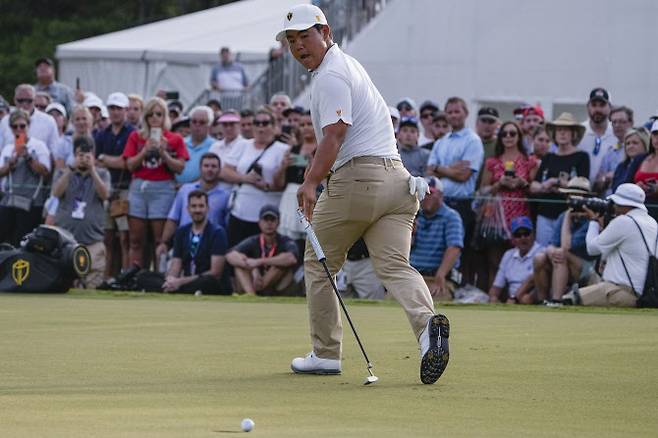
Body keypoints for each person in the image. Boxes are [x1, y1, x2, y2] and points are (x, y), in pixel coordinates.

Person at [280, 3, 450, 384]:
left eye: (305, 36)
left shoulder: (330, 75)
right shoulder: (349, 64)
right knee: (394, 266)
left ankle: (325, 355)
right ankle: (427, 331)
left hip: (359, 181)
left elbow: (336, 135)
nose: (299, 46)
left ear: (325, 33)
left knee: (319, 263)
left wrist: (309, 182)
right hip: (398, 183)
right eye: (292, 40)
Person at [562, 183, 658, 307]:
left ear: (624, 203)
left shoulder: (624, 222)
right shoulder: (652, 222)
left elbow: (592, 249)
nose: (613, 207)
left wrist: (593, 221)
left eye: (615, 203)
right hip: (645, 294)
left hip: (620, 291)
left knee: (569, 299)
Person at [122, 97, 189, 268]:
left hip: (163, 188)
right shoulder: (136, 137)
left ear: (164, 116)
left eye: (159, 114)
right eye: (150, 114)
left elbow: (180, 167)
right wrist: (144, 151)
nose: (154, 118)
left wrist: (164, 153)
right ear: (145, 117)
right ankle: (134, 277)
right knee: (135, 239)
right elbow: (130, 165)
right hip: (139, 187)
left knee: (159, 239)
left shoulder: (174, 139)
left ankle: (159, 278)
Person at [426, 97, 484, 285]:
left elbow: (464, 175)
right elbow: (429, 172)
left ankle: (453, 289)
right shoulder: (441, 142)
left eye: (457, 111)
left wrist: (440, 168)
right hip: (438, 203)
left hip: (461, 204)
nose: (453, 115)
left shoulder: (473, 141)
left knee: (457, 250)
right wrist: (451, 169)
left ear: (466, 113)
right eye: (449, 112)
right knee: (438, 250)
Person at [478, 121, 538, 290]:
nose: (508, 137)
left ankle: (516, 296)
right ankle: (493, 297)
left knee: (520, 259)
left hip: (521, 214)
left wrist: (522, 183)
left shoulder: (529, 161)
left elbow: (535, 189)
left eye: (513, 133)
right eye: (504, 134)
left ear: (519, 136)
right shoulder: (492, 162)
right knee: (494, 260)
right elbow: (483, 189)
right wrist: (499, 184)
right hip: (497, 216)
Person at [221, 107, 288, 247]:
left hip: (267, 216)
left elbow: (282, 185)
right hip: (239, 211)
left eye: (265, 123)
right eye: (257, 123)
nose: (260, 127)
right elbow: (225, 171)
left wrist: (266, 185)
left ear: (274, 126)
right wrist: (246, 179)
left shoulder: (283, 149)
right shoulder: (242, 144)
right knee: (235, 251)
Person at [52, 136, 111, 288]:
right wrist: (70, 170)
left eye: (87, 155)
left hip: (93, 241)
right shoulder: (63, 173)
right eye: (80, 155)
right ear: (74, 155)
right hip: (66, 243)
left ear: (93, 155)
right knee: (64, 286)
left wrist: (92, 170)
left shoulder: (103, 174)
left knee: (92, 287)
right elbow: (56, 193)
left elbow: (105, 195)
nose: (83, 159)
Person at [532, 177, 599, 302]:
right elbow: (552, 244)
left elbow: (566, 246)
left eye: (577, 197)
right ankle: (542, 301)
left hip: (587, 268)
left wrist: (568, 217)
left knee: (562, 254)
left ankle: (557, 300)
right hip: (563, 262)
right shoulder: (563, 215)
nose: (572, 201)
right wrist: (550, 251)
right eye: (570, 196)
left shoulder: (592, 219)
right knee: (539, 258)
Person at [529, 113, 590, 246]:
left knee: (562, 253)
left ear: (573, 134)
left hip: (568, 214)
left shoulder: (582, 157)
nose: (562, 133)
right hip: (544, 213)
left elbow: (584, 187)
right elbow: (533, 185)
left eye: (566, 130)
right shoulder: (548, 157)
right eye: (559, 130)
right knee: (542, 252)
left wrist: (562, 184)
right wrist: (546, 184)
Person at [157, 153, 231, 259]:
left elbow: (227, 226)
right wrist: (164, 242)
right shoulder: (185, 190)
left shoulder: (225, 196)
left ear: (219, 170)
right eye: (206, 166)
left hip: (210, 247)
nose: (210, 170)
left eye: (214, 166)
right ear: (200, 169)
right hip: (183, 243)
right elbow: (173, 218)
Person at [95, 92, 135, 279]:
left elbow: (126, 163)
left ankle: (125, 277)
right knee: (108, 237)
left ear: (126, 110)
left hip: (125, 189)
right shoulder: (102, 134)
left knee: (125, 237)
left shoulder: (132, 133)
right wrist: (114, 161)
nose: (115, 112)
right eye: (112, 108)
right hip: (106, 191)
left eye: (119, 108)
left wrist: (107, 160)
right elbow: (96, 161)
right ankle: (106, 278)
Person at [159, 190, 229, 294]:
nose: (197, 210)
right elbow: (176, 264)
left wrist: (181, 282)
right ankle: (171, 288)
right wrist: (171, 280)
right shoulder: (181, 232)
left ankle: (177, 289)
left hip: (206, 282)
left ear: (207, 208)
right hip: (186, 282)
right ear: (188, 209)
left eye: (201, 206)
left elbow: (215, 272)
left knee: (208, 281)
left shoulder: (217, 232)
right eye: (194, 206)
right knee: (145, 276)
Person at [0, 110, 52, 246]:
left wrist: (28, 157)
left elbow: (46, 172)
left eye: (22, 126)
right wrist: (11, 162)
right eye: (15, 126)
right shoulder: (8, 148)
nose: (19, 130)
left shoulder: (39, 146)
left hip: (32, 203)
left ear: (28, 126)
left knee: (24, 242)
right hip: (10, 201)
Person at [410, 177, 464, 301]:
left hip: (438, 276)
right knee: (391, 300)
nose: (425, 197)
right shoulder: (413, 215)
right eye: (422, 193)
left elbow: (454, 248)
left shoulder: (451, 217)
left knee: (438, 301)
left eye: (430, 193)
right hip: (413, 276)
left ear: (440, 195)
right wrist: (410, 235)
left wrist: (441, 275)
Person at [226, 205, 298, 296]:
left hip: (276, 284)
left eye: (272, 220)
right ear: (259, 222)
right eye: (265, 220)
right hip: (254, 282)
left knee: (279, 265)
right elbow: (230, 255)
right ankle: (251, 295)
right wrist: (253, 269)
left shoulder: (285, 241)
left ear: (279, 222)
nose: (269, 223)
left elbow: (291, 258)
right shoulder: (253, 240)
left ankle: (258, 292)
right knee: (239, 265)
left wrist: (259, 262)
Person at [275, 110, 317, 248]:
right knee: (289, 242)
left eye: (309, 124)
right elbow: (279, 183)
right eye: (302, 124)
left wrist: (314, 164)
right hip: (290, 197)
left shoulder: (323, 149)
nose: (305, 128)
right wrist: (283, 166)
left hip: (313, 196)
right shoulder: (292, 150)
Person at [488, 216, 544, 304]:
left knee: (526, 299)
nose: (523, 238)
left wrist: (515, 297)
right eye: (518, 235)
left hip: (533, 296)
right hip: (512, 300)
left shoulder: (542, 252)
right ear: (513, 238)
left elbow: (533, 281)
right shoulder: (508, 255)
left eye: (526, 233)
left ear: (533, 234)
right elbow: (497, 286)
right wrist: (493, 297)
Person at [0, 84, 58, 152]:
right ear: (14, 100)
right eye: (20, 100)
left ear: (35, 100)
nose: (24, 104)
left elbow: (55, 150)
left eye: (29, 101)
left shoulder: (48, 121)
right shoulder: (5, 121)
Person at [578, 88, 617, 182]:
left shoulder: (616, 133)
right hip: (580, 190)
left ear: (610, 107)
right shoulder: (579, 131)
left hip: (608, 190)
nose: (598, 109)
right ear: (588, 107)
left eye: (602, 105)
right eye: (594, 105)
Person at [594, 106, 632, 195]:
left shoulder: (638, 148)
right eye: (614, 122)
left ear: (631, 123)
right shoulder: (610, 151)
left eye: (622, 121)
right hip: (608, 200)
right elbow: (599, 181)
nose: (617, 125)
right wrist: (604, 179)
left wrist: (615, 175)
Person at [209, 111, 248, 191]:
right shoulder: (215, 146)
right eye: (225, 125)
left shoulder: (246, 145)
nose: (228, 128)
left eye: (232, 124)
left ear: (239, 125)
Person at [177, 106, 215, 184]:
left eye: (202, 122)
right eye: (194, 121)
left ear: (209, 126)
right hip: (175, 189)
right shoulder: (180, 142)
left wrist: (187, 187)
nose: (197, 125)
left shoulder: (215, 146)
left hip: (200, 191)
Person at [628, 121, 658, 218]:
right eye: (655, 134)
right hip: (637, 211)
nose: (657, 138)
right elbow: (626, 183)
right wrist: (636, 188)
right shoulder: (640, 158)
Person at [611, 127, 649, 193]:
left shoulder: (649, 165)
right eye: (627, 143)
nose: (630, 146)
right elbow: (614, 189)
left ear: (645, 144)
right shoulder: (621, 166)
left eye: (635, 143)